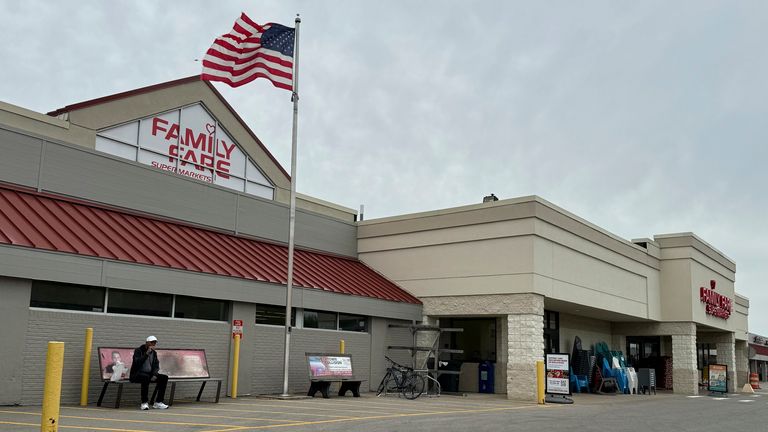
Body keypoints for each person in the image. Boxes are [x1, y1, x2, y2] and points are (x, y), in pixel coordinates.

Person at [129, 335, 169, 410]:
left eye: (154, 343)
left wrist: (154, 374)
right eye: (151, 342)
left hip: (149, 374)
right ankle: (144, 402)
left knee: (164, 378)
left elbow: (156, 365)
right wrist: (146, 354)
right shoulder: (138, 350)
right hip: (137, 374)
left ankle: (158, 402)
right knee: (145, 377)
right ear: (147, 343)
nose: (153, 344)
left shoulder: (154, 353)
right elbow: (137, 363)